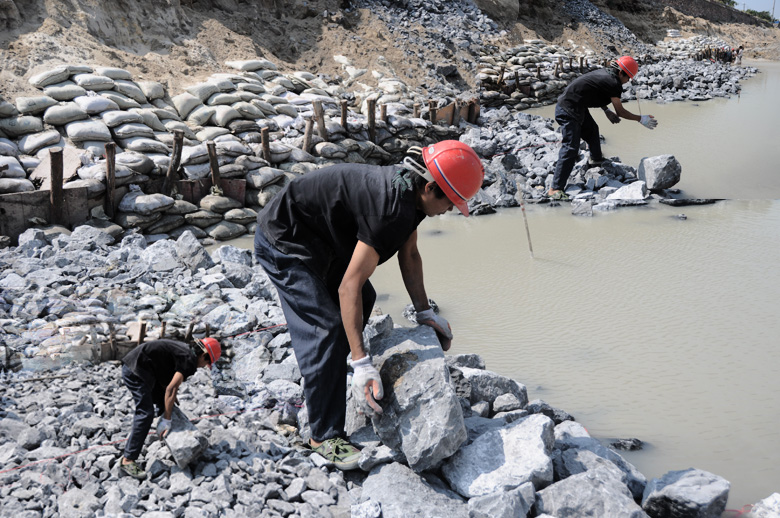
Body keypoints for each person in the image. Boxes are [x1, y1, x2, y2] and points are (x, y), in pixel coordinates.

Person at [253, 141, 484, 470]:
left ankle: (331, 376)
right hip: (286, 240)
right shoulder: (390, 211)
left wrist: (425, 313)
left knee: (365, 300)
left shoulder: (411, 193)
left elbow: (410, 254)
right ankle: (324, 435)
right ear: (431, 188)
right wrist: (362, 363)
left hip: (321, 237)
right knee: (325, 328)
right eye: (451, 201)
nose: (451, 209)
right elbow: (348, 286)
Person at [548, 56, 658, 200]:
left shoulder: (606, 74)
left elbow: (594, 91)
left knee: (592, 130)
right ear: (621, 73)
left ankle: (596, 159)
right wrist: (640, 119)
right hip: (568, 109)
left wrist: (606, 111)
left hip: (577, 105)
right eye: (628, 78)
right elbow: (620, 111)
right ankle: (555, 189)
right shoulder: (613, 82)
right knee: (570, 148)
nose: (627, 82)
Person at [119, 337, 221, 479]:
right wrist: (167, 419)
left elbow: (166, 375)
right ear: (204, 355)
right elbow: (171, 389)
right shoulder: (190, 360)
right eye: (206, 363)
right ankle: (128, 460)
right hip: (135, 370)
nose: (203, 366)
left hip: (143, 366)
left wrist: (170, 399)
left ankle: (168, 435)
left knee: (165, 402)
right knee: (146, 413)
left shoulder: (185, 350)